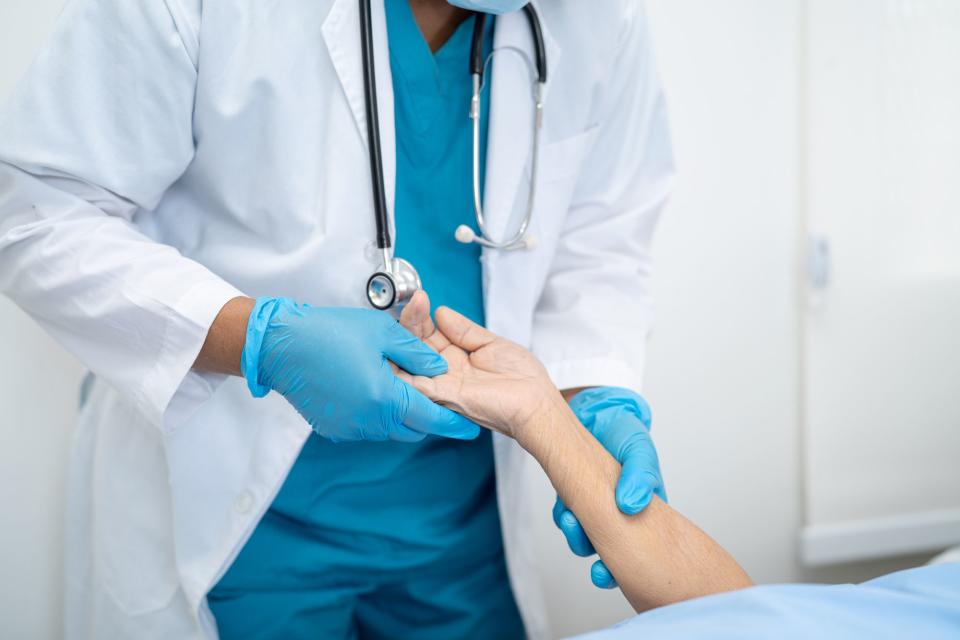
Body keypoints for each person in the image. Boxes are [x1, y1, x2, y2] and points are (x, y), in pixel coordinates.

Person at [0, 0, 674, 638]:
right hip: (237, 525)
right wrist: (260, 339)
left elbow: (600, 241)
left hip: (464, 540)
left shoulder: (600, 17)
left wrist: (592, 394)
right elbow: (37, 211)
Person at [397, 291, 960, 640]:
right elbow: (745, 623)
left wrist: (548, 409)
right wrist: (543, 412)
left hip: (459, 543)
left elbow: (740, 624)